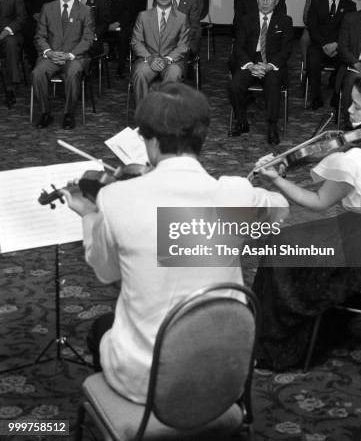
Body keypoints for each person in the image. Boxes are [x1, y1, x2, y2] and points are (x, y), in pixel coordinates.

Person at [61, 83, 289, 403]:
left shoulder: (116, 197)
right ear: (203, 137)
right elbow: (280, 209)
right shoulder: (234, 192)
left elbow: (107, 273)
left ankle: (132, 418)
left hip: (148, 381)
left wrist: (89, 216)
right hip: (226, 373)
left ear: (151, 143)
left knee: (102, 328)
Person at [252, 70, 361, 370]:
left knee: (280, 248)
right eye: (350, 103)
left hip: (359, 247)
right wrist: (293, 162)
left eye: (358, 107)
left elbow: (318, 202)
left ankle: (275, 346)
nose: (348, 111)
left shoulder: (358, 162)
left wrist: (276, 179)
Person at [229, 0, 294, 144]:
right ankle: (242, 121)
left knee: (272, 83)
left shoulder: (285, 21)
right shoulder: (246, 19)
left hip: (272, 63)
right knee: (235, 84)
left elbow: (286, 50)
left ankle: (272, 126)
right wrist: (250, 65)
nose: (265, 1)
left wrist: (268, 66)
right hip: (250, 61)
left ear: (277, 1)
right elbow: (238, 47)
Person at [32, 0, 95, 129]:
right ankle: (45, 113)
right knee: (37, 72)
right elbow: (39, 36)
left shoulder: (86, 10)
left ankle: (69, 114)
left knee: (73, 72)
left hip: (74, 57)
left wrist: (69, 55)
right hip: (51, 56)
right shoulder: (47, 8)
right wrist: (49, 52)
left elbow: (87, 39)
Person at [131, 0, 190, 107]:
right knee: (140, 72)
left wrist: (167, 59)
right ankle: (144, 116)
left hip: (171, 61)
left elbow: (183, 46)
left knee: (174, 72)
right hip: (148, 59)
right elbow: (136, 42)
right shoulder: (143, 16)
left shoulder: (181, 18)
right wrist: (150, 58)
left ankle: (165, 116)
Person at [306, 0, 356, 109]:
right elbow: (312, 27)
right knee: (312, 60)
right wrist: (324, 45)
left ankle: (336, 96)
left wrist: (336, 44)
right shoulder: (316, 2)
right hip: (318, 44)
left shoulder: (350, 6)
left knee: (345, 61)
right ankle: (316, 98)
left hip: (339, 46)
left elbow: (347, 31)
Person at [300, 0, 353, 74]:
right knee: (312, 56)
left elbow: (348, 27)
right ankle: (308, 74)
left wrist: (336, 44)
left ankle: (335, 87)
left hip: (338, 41)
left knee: (345, 63)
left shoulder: (348, 1)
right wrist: (324, 44)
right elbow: (309, 21)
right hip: (319, 38)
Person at [93, 0, 134, 78]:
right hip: (101, 25)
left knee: (123, 35)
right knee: (92, 34)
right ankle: (94, 68)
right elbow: (93, 11)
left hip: (118, 25)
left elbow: (129, 10)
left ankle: (120, 69)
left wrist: (117, 23)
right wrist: (104, 25)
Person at [0, 0, 27, 108]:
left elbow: (21, 17)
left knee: (10, 43)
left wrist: (6, 31)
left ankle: (10, 88)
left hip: (8, 34)